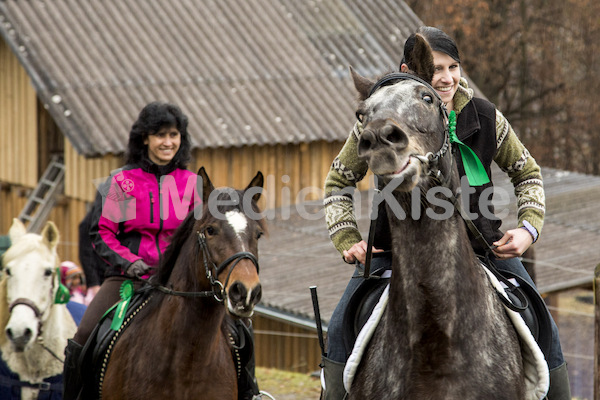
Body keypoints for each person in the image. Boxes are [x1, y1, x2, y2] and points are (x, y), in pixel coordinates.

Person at [322, 26, 570, 400]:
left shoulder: (485, 117)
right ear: (412, 68)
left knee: (544, 326)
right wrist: (347, 239)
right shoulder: (379, 121)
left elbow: (528, 173)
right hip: (391, 255)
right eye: (436, 68)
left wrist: (527, 230)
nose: (447, 77)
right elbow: (337, 183)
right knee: (341, 326)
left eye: (453, 67)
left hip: (485, 251)